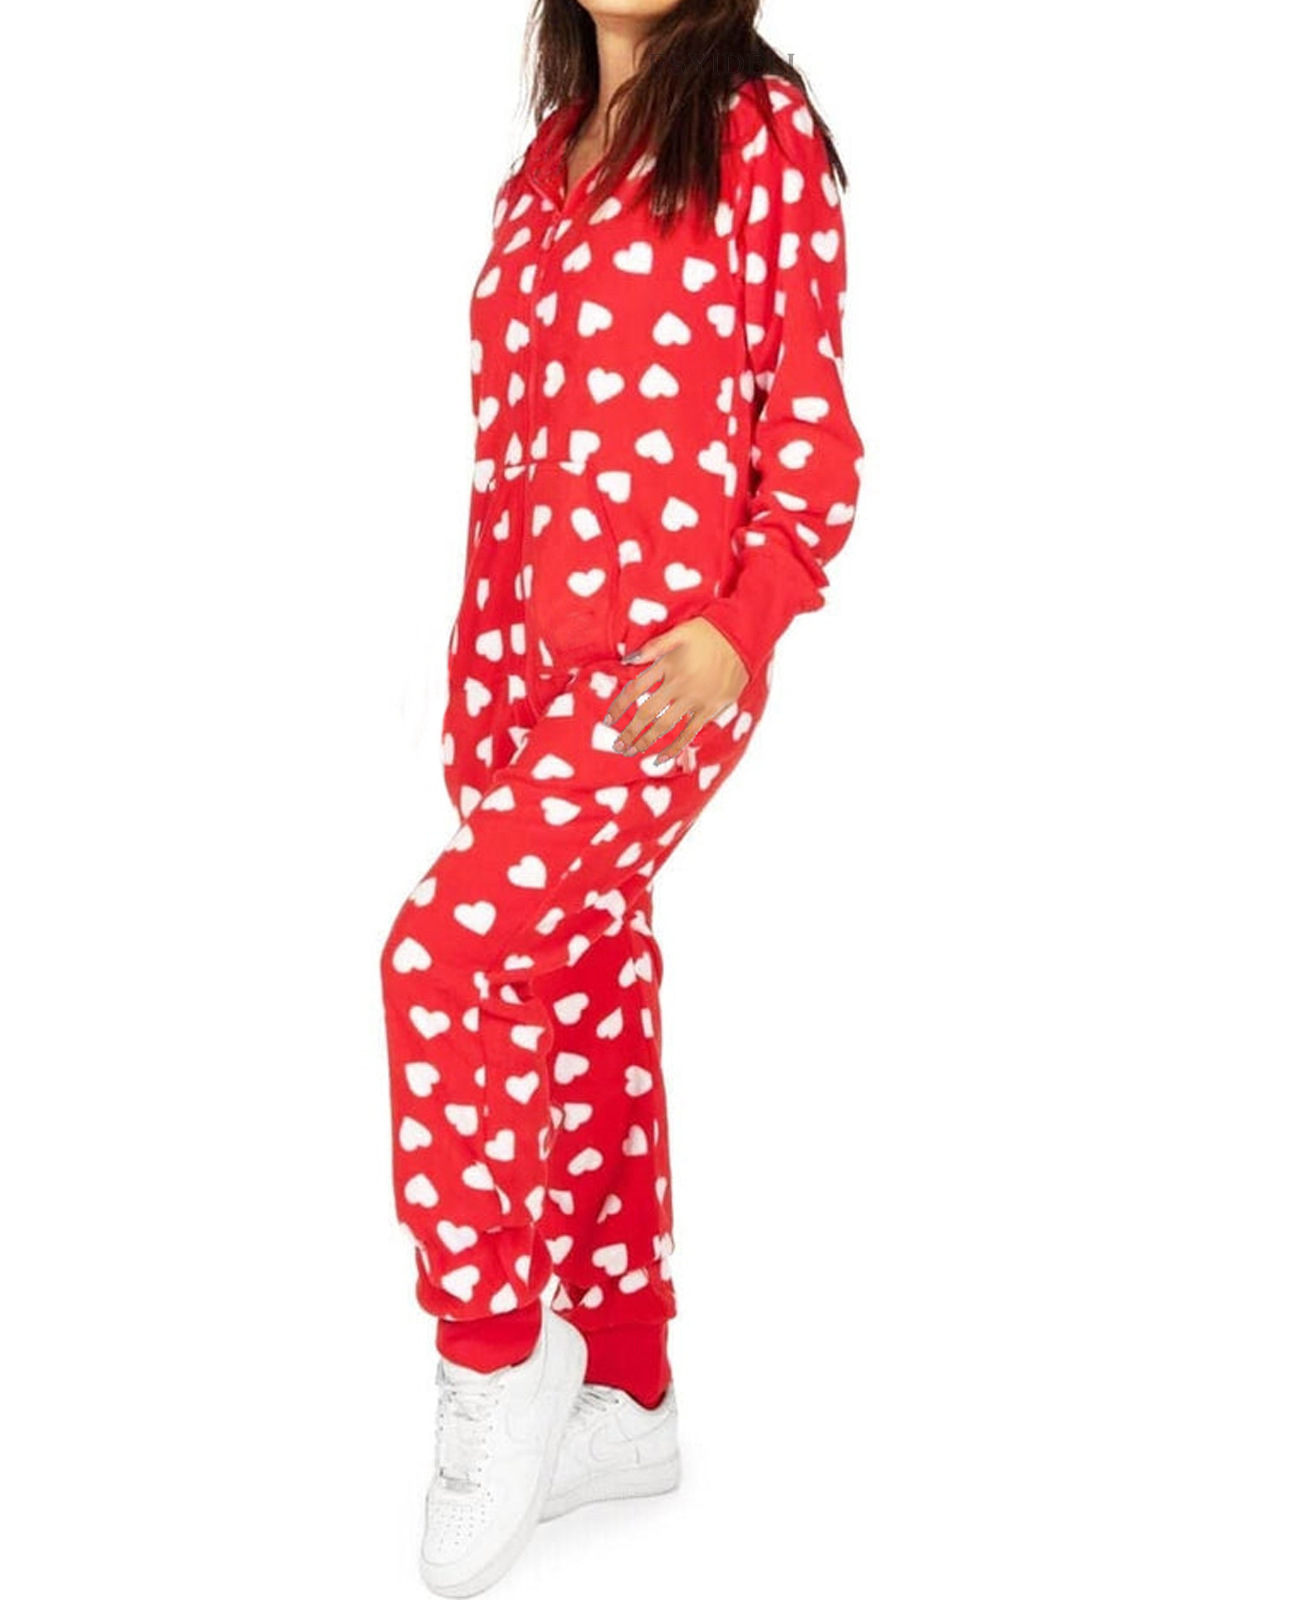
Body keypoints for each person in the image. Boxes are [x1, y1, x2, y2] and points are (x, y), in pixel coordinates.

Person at [379, 2, 864, 1591]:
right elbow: (515, 459)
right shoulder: (545, 166)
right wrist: (480, 688)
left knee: (438, 960)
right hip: (515, 680)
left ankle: (496, 1353)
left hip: (663, 672)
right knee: (579, 985)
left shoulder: (755, 133)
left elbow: (810, 426)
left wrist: (747, 623)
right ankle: (631, 1394)